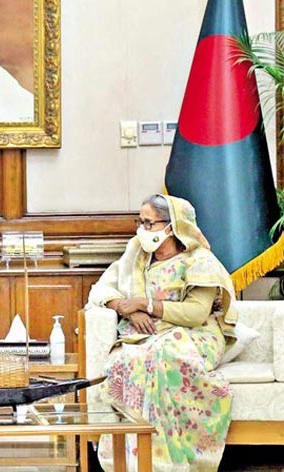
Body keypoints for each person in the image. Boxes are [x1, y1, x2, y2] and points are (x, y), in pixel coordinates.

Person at [86, 194, 239, 472]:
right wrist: (127, 309)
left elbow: (195, 314)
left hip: (194, 335)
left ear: (173, 225)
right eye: (140, 222)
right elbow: (101, 289)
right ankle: (133, 459)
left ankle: (171, 462)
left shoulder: (199, 260)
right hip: (144, 334)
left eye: (149, 223)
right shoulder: (137, 253)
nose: (142, 229)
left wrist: (147, 304)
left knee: (162, 354)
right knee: (127, 359)